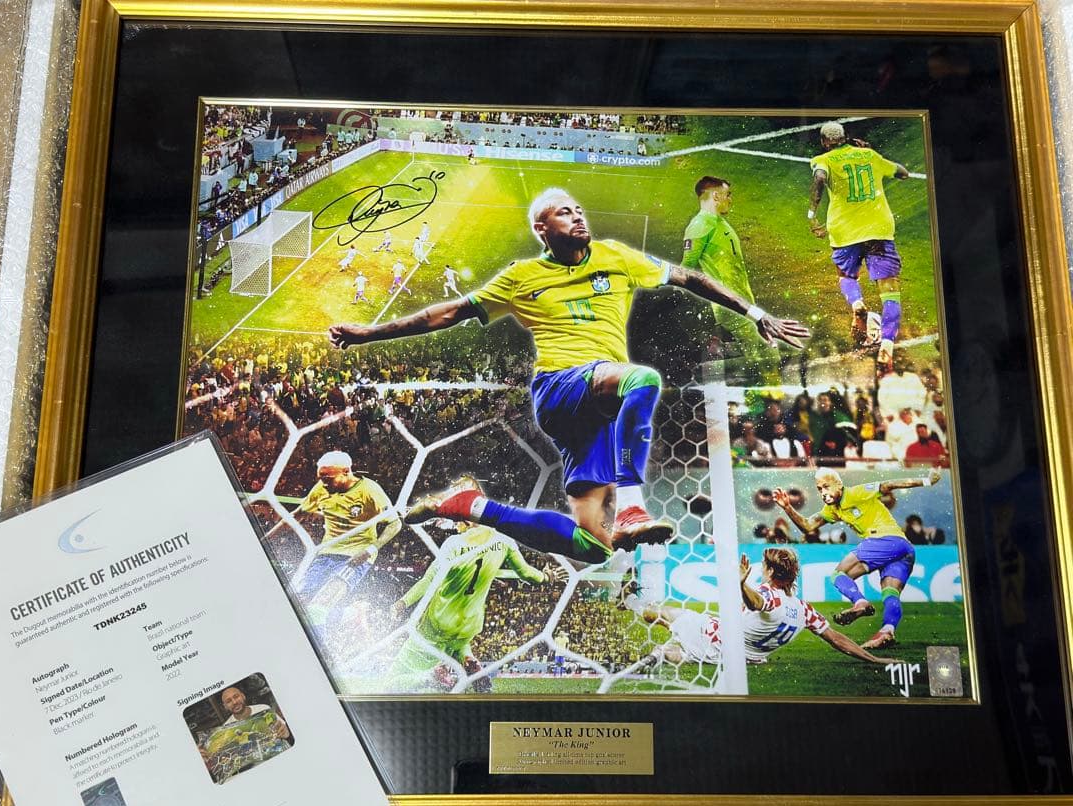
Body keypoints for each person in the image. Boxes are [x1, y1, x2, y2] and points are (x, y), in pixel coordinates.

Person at [329, 189, 809, 563]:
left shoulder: (616, 256)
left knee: (594, 545)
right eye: (564, 212)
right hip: (561, 388)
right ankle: (633, 505)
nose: (578, 216)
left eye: (579, 210)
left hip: (596, 410)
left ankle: (472, 506)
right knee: (642, 380)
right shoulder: (521, 277)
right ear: (542, 229)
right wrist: (368, 334)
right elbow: (446, 313)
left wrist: (756, 313)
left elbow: (691, 278)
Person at [623, 547, 898, 667]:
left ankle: (631, 604)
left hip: (718, 638)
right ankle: (658, 656)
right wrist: (875, 660)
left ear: (769, 571)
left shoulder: (768, 595)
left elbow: (757, 603)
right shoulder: (805, 610)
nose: (763, 569)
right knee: (684, 652)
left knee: (667, 613)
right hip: (744, 659)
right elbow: (837, 639)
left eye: (764, 566)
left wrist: (742, 584)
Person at [771, 467, 942, 649]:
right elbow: (807, 526)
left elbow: (889, 485)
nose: (823, 492)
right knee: (890, 593)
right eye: (819, 489)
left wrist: (927, 481)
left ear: (838, 484)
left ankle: (860, 603)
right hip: (904, 549)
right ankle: (887, 631)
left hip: (884, 539)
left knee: (838, 575)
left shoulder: (856, 493)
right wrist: (788, 508)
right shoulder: (832, 509)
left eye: (826, 486)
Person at [388, 520, 565, 692]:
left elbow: (430, 579)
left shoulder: (454, 543)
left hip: (439, 621)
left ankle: (430, 677)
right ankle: (468, 658)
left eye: (457, 521)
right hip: (469, 624)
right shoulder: (504, 540)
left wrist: (403, 602)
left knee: (390, 682)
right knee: (459, 644)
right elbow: (526, 573)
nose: (456, 526)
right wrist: (547, 577)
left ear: (469, 520)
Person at [808, 122, 910, 367]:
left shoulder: (822, 160)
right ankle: (887, 345)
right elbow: (903, 173)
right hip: (879, 231)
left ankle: (857, 303)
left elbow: (820, 177)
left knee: (847, 276)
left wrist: (812, 213)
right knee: (890, 290)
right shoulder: (870, 155)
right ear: (846, 137)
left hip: (845, 233)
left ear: (824, 142)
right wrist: (870, 155)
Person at [270, 451, 401, 638]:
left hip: (355, 558)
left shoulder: (370, 490)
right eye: (321, 478)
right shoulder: (322, 488)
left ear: (346, 471)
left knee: (317, 608)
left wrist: (370, 549)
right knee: (297, 604)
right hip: (326, 554)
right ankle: (352, 614)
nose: (324, 483)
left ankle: (315, 650)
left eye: (328, 478)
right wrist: (265, 539)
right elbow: (298, 514)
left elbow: (395, 523)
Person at [682, 176, 782, 384]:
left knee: (763, 354)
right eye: (728, 195)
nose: (730, 199)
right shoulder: (699, 225)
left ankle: (764, 391)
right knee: (767, 356)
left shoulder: (718, 221)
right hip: (730, 305)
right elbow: (686, 268)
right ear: (715, 196)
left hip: (743, 302)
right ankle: (771, 397)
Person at [219, 687, 290, 740]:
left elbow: (285, 732)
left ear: (243, 696)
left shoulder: (264, 708)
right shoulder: (226, 729)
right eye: (228, 701)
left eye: (236, 696)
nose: (234, 702)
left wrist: (285, 733)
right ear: (225, 706)